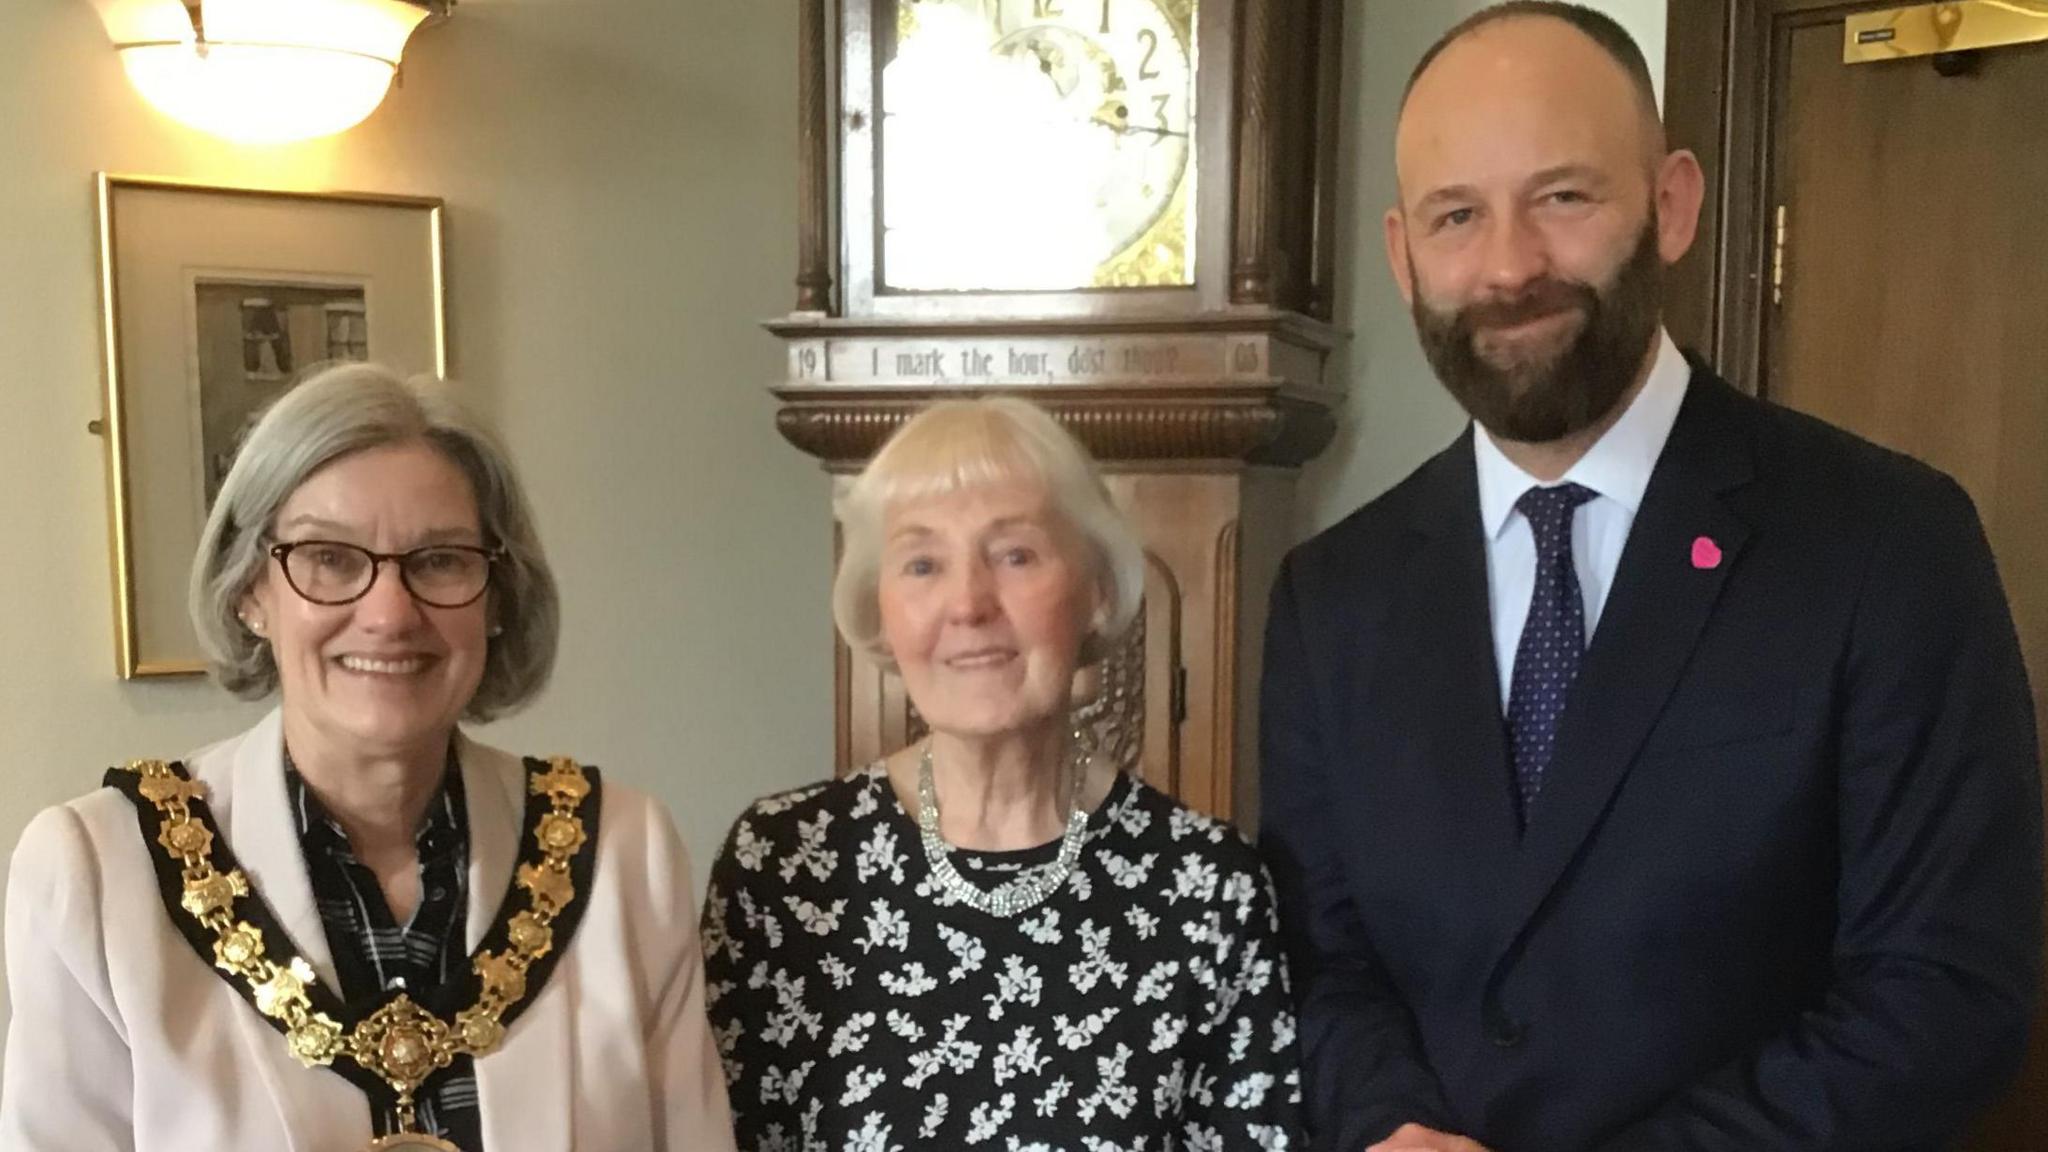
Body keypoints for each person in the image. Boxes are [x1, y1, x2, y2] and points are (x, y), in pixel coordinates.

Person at [1257, 5, 2042, 1151]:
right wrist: (1388, 1125)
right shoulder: (1329, 595)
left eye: (1562, 197)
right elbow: (1318, 965)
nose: (1509, 264)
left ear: (1670, 205)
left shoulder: (1887, 544)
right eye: (1455, 216)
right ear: (1400, 254)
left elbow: (1941, 992)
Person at [0, 364, 735, 1151]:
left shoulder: (626, 853)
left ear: (497, 597)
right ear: (251, 588)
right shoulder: (96, 872)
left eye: (441, 560)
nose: (389, 613)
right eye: (329, 557)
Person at [702, 396, 1306, 1149]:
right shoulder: (784, 868)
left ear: (1097, 592)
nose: (968, 603)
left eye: (1015, 554)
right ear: (880, 610)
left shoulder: (1206, 888)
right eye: (922, 563)